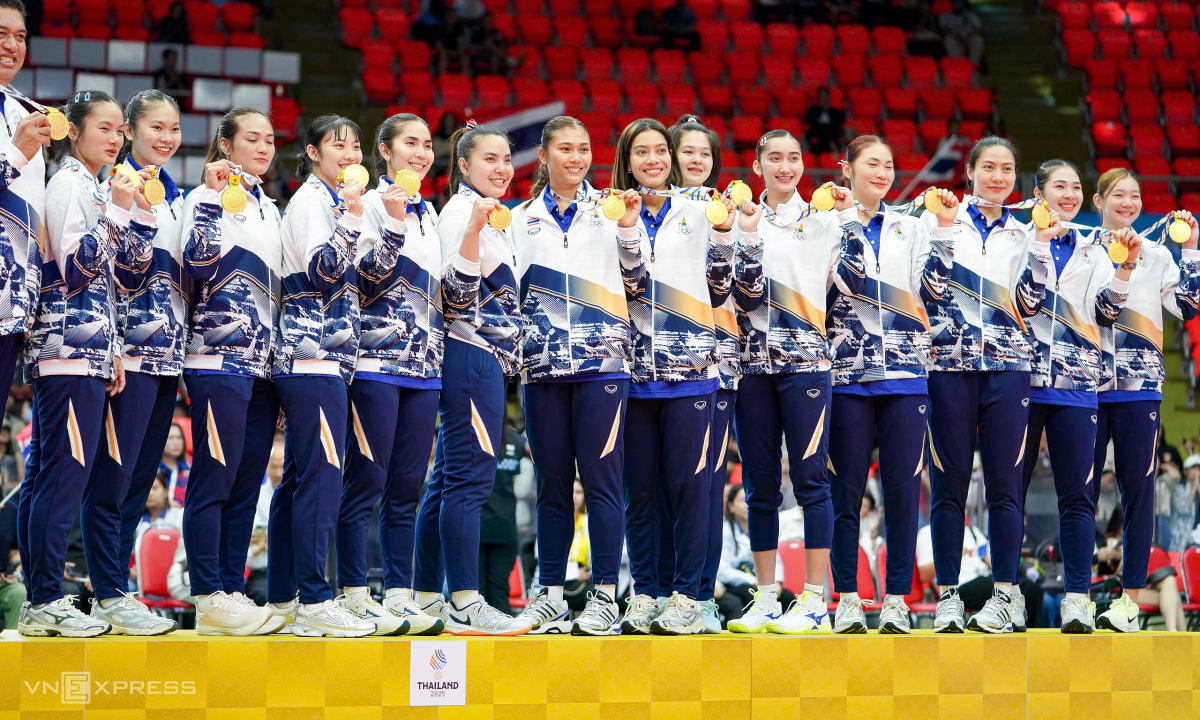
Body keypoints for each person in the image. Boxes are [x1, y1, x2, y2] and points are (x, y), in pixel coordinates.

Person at [18, 90, 157, 638]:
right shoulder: (69, 185)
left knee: (51, 475)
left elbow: (114, 283)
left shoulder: (94, 187)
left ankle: (41, 598)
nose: (116, 138)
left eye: (120, 129)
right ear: (72, 131)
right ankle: (44, 599)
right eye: (104, 127)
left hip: (87, 349)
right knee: (62, 477)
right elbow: (75, 271)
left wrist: (112, 347)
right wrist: (119, 210)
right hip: (65, 349)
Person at [611, 117, 746, 636]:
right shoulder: (608, 214)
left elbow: (720, 288)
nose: (653, 160)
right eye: (641, 152)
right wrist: (625, 227)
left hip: (692, 374)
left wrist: (725, 233)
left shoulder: (701, 212)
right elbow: (623, 285)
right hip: (630, 373)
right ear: (627, 161)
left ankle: (689, 597)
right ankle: (646, 593)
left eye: (660, 151)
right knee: (641, 493)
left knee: (691, 490)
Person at [510, 116, 643, 636]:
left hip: (603, 367)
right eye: (565, 148)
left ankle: (605, 595)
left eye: (584, 148)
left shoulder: (611, 212)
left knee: (603, 484)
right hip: (542, 370)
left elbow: (637, 282)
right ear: (544, 156)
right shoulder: (518, 219)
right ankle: (548, 596)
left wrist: (629, 228)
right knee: (551, 488)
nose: (577, 157)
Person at [728, 129, 863, 635]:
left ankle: (813, 600)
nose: (785, 167)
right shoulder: (741, 218)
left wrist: (848, 219)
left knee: (811, 481)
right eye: (774, 158)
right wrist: (744, 232)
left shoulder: (824, 220)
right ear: (757, 166)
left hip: (807, 366)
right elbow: (735, 292)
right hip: (752, 368)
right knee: (759, 486)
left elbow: (855, 282)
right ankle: (766, 598)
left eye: (793, 158)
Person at [921, 137, 1054, 634]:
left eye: (1008, 169)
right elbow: (927, 290)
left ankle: (1005, 594)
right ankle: (949, 597)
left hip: (1009, 368)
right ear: (971, 172)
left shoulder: (1024, 231)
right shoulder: (938, 219)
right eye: (990, 168)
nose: (999, 177)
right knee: (949, 485)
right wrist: (942, 229)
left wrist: (1040, 247)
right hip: (948, 367)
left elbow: (1031, 304)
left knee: (1005, 486)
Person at [827, 135, 956, 635]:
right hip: (846, 377)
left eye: (888, 165)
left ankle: (898, 599)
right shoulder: (824, 223)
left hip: (905, 377)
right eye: (872, 164)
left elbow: (934, 291)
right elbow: (844, 282)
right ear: (847, 169)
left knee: (903, 494)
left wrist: (944, 231)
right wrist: (845, 221)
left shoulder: (912, 227)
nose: (882, 173)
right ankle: (847, 598)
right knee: (846, 494)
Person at [410, 120, 531, 636]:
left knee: (447, 480)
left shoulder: (489, 214)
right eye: (488, 159)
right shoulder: (463, 213)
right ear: (462, 165)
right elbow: (455, 294)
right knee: (469, 480)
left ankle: (424, 597)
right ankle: (463, 600)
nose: (501, 168)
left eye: (505, 159)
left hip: (483, 358)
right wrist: (475, 229)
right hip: (470, 353)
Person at [262, 115, 378, 638]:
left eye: (355, 146)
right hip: (312, 357)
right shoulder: (313, 202)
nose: (350, 155)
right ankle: (314, 599)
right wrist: (352, 216)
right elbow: (321, 271)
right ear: (312, 152)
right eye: (338, 146)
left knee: (301, 478)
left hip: (325, 358)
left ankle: (284, 597)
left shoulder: (332, 202)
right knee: (322, 477)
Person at [80, 89, 188, 637]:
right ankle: (106, 592)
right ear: (130, 132)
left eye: (174, 129)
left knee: (139, 480)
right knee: (112, 480)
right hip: (127, 355)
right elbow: (106, 273)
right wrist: (114, 348)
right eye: (155, 128)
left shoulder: (178, 196)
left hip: (168, 358)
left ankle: (115, 592)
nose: (166, 138)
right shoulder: (114, 187)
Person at [1016, 159, 1136, 636]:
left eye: (1074, 187)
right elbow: (1022, 302)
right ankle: (1007, 595)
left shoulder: (1094, 247)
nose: (1068, 194)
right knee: (1010, 492)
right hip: (1022, 383)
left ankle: (1077, 599)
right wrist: (1039, 247)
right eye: (1058, 186)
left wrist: (1124, 269)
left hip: (1077, 386)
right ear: (1039, 194)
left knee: (1078, 498)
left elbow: (1106, 313)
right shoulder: (1018, 239)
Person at [337, 112, 444, 637]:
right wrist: (393, 220)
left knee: (405, 488)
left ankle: (399, 593)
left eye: (427, 144)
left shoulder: (431, 212)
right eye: (410, 143)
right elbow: (364, 280)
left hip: (425, 369)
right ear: (384, 151)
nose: (421, 153)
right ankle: (354, 594)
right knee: (366, 482)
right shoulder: (368, 204)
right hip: (375, 365)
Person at [180, 107, 286, 637]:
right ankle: (207, 596)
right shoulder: (203, 198)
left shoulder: (271, 209)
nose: (264, 147)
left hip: (262, 368)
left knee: (246, 484)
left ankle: (230, 588)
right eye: (252, 139)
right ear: (225, 145)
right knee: (215, 477)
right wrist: (210, 196)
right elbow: (197, 264)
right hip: (217, 358)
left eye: (269, 139)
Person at [1090, 168, 1200, 633]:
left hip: (1139, 387)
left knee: (1138, 493)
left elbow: (1188, 307)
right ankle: (1079, 595)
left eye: (1135, 195)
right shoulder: (1081, 248)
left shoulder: (1156, 255)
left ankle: (1129, 601)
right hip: (1085, 385)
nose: (1129, 202)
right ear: (1099, 201)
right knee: (1081, 492)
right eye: (1119, 194)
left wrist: (1190, 249)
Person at [666, 115, 738, 634]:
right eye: (686, 151)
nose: (695, 160)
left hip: (719, 368)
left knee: (707, 487)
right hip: (654, 369)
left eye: (704, 153)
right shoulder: (646, 212)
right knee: (659, 487)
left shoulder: (728, 210)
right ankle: (658, 591)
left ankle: (700, 596)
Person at [0, 0, 49, 421]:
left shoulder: (26, 110)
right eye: (1, 34)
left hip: (14, 299)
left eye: (19, 37)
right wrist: (15, 152)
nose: (11, 45)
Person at [717, 484, 795, 625]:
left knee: (787, 596)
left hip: (761, 583)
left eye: (749, 500)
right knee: (752, 595)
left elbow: (775, 561)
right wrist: (753, 581)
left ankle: (787, 631)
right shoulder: (724, 531)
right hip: (734, 584)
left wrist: (776, 582)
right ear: (731, 506)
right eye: (742, 501)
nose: (746, 505)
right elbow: (722, 570)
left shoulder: (762, 530)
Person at [479, 422, 522, 614]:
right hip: (505, 524)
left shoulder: (474, 432)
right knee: (499, 593)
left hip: (476, 524)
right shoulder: (516, 440)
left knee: (474, 596)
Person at [940, 0, 984, 66]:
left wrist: (967, 37)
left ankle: (973, 65)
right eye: (956, 3)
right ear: (953, 4)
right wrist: (957, 36)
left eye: (960, 3)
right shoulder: (945, 16)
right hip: (954, 35)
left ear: (963, 5)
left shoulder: (971, 15)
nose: (958, 5)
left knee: (978, 40)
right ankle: (958, 64)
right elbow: (943, 30)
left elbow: (977, 30)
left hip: (969, 35)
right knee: (948, 39)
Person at [803, 88, 845, 155]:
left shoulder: (836, 112)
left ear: (829, 98)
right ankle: (832, 146)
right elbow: (811, 125)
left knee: (828, 129)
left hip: (833, 135)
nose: (824, 99)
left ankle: (831, 144)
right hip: (817, 135)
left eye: (826, 96)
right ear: (818, 98)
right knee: (823, 128)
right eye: (822, 96)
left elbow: (837, 126)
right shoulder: (812, 111)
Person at [161, 421, 189, 506]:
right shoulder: (151, 469)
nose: (176, 442)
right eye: (170, 438)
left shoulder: (191, 466)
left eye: (179, 437)